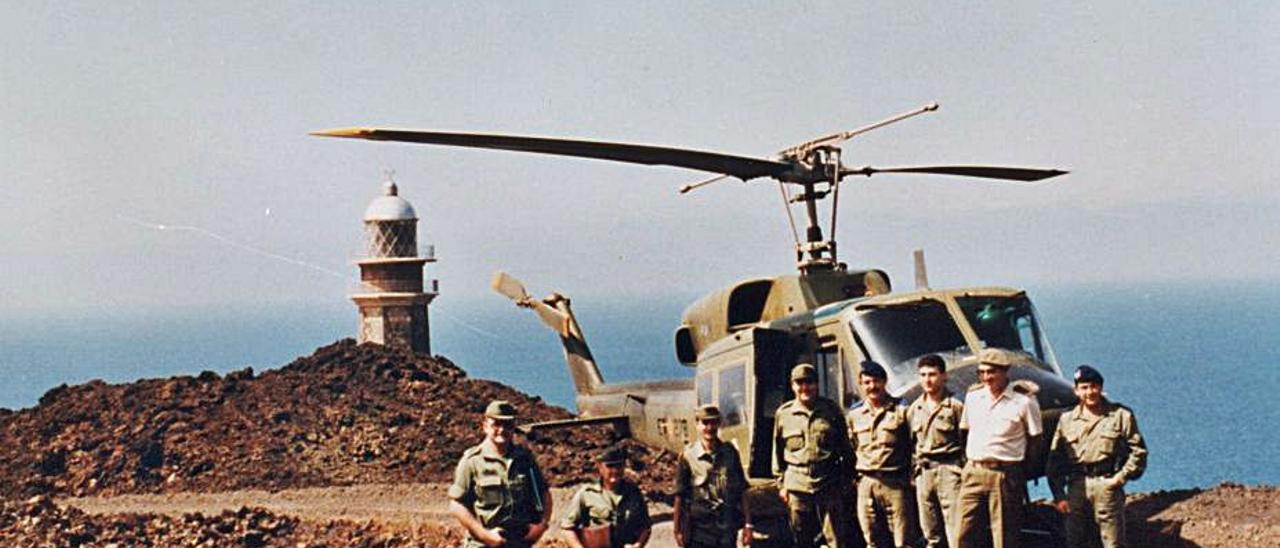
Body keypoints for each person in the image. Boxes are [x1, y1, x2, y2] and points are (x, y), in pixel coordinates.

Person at [1047, 365, 1148, 548]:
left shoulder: (1120, 415)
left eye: (1094, 386)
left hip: (1106, 485)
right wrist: (1059, 495)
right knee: (1074, 541)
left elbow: (1139, 451)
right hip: (1077, 487)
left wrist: (1119, 479)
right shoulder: (1067, 420)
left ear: (1101, 387)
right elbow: (1055, 460)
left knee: (1113, 542)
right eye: (1084, 388)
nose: (1090, 392)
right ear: (1077, 391)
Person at [955, 349, 1043, 548]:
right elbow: (964, 432)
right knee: (961, 534)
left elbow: (1036, 441)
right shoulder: (974, 397)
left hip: (1004, 475)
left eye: (992, 372)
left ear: (1005, 372)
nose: (986, 377)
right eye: (982, 372)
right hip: (973, 472)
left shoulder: (1024, 401)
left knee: (1003, 537)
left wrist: (1018, 470)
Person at [448, 400, 553, 547]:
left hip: (519, 543)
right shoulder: (472, 461)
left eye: (508, 425)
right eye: (496, 424)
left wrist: (542, 525)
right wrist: (484, 535)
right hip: (483, 544)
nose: (502, 430)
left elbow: (544, 494)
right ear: (485, 426)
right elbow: (456, 504)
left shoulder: (525, 459)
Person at [772, 363, 855, 548]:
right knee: (801, 540)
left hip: (828, 484)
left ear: (816, 384)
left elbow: (845, 448)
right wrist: (781, 485)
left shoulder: (831, 410)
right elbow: (777, 452)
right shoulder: (784, 414)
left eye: (809, 382)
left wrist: (847, 480)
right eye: (799, 383)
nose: (805, 388)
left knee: (836, 540)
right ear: (792, 386)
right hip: (797, 487)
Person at [847, 360, 914, 548]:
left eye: (876, 381)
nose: (872, 386)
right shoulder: (854, 414)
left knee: (902, 541)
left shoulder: (901, 410)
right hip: (866, 484)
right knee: (872, 540)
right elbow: (852, 447)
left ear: (884, 382)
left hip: (895, 483)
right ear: (861, 384)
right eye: (867, 382)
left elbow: (913, 445)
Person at [907, 354, 965, 548]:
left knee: (956, 531)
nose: (927, 380)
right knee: (930, 531)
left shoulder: (956, 406)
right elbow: (911, 444)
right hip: (924, 474)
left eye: (932, 374)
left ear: (944, 376)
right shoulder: (914, 409)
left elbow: (965, 441)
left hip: (950, 471)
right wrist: (915, 473)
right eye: (923, 375)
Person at [674, 404, 752, 547]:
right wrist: (677, 529)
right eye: (705, 423)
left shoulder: (730, 453)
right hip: (699, 529)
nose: (710, 427)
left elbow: (742, 490)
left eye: (714, 422)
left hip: (726, 527)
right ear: (697, 424)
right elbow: (680, 495)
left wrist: (748, 525)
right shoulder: (688, 456)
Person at [560, 444, 652, 548]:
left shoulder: (633, 493)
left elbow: (645, 526)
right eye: (610, 466)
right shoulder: (587, 494)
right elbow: (567, 527)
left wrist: (638, 545)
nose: (615, 471)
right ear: (600, 468)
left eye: (619, 466)